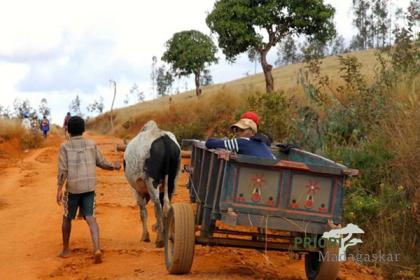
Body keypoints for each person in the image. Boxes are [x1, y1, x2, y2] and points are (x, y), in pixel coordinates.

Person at [56, 116, 121, 263]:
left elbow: (63, 170)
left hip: (72, 188)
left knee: (67, 217)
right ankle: (97, 248)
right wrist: (114, 166)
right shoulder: (91, 144)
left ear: (69, 131)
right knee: (91, 218)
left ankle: (66, 250)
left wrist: (59, 188)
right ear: (83, 130)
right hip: (89, 187)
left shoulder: (64, 147)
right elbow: (101, 162)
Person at [205, 117, 275, 159]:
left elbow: (209, 143)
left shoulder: (241, 142)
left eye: (242, 130)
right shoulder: (262, 144)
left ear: (252, 132)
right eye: (236, 130)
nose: (238, 132)